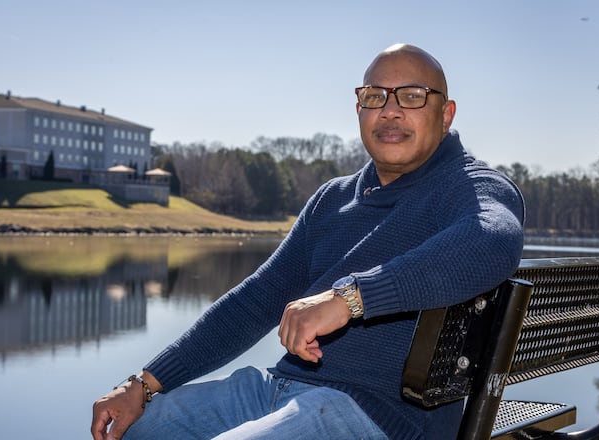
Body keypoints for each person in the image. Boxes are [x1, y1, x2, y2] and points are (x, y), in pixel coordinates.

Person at [91, 43, 525, 440]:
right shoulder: (332, 199)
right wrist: (144, 384)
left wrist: (349, 299)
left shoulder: (471, 188)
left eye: (411, 96)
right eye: (375, 97)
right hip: (276, 388)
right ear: (359, 109)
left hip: (377, 415)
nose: (390, 111)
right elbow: (256, 300)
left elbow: (492, 242)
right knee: (136, 429)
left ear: (446, 113)